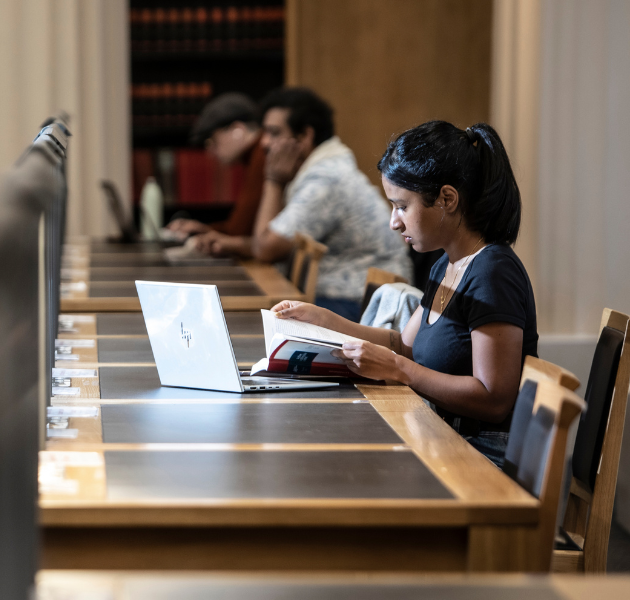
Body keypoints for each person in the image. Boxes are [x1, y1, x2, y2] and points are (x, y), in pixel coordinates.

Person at [270, 121, 535, 466]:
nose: (394, 222)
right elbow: (403, 346)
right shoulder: (446, 264)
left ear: (447, 199)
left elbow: (493, 398)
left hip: (480, 453)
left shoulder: (493, 272)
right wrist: (322, 320)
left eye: (401, 206)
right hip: (441, 434)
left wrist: (398, 369)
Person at [192, 87, 410, 321]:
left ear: (304, 136)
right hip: (347, 298)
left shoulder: (327, 178)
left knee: (245, 319)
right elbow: (271, 242)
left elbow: (265, 249)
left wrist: (273, 180)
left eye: (274, 133)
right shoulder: (320, 169)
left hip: (366, 306)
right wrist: (231, 244)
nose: (264, 143)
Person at [165, 93, 266, 238]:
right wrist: (205, 229)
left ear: (238, 130)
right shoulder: (252, 157)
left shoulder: (261, 155)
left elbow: (239, 230)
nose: (210, 152)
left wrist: (207, 231)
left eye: (213, 141)